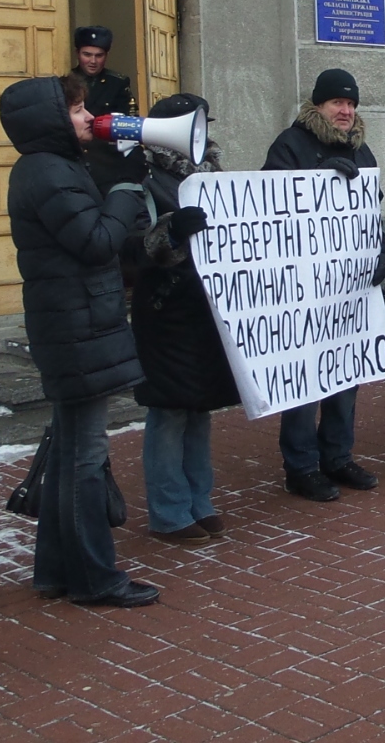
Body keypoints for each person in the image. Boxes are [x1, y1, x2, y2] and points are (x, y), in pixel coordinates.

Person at [0, 72, 172, 605]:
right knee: (85, 457)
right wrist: (123, 190)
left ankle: (56, 569)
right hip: (76, 325)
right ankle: (95, 577)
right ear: (51, 119)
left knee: (71, 450)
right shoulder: (50, 173)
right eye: (76, 110)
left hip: (73, 321)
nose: (88, 117)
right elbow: (95, 241)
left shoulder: (51, 168)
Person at [263, 68, 385, 501]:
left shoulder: (361, 149)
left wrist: (380, 257)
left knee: (344, 371)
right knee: (305, 376)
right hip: (304, 286)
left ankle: (338, 456)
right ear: (318, 104)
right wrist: (319, 178)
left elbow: (371, 214)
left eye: (351, 103)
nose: (346, 110)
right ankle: (301, 466)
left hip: (349, 285)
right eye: (338, 102)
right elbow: (268, 208)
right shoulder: (290, 145)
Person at [129, 94, 237, 543]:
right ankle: (169, 511)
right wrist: (170, 232)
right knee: (170, 410)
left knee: (198, 406)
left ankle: (199, 499)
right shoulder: (141, 177)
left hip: (202, 309)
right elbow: (132, 246)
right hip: (165, 311)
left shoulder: (211, 175)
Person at [70, 27, 142, 193]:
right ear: (77, 54)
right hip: (75, 159)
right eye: (87, 54)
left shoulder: (117, 83)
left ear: (106, 56)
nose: (93, 61)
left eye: (99, 55)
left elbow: (129, 123)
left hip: (106, 162)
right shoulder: (67, 82)